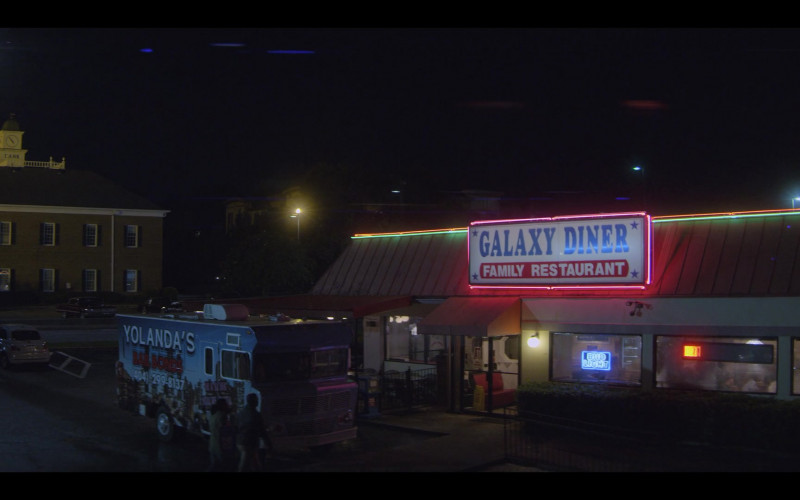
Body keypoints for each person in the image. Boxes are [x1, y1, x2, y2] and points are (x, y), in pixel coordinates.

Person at [236, 393, 271, 472]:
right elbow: (262, 430)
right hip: (249, 442)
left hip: (241, 441)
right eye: (256, 400)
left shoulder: (241, 413)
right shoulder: (255, 415)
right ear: (254, 401)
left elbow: (236, 426)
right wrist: (268, 443)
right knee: (244, 465)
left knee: (254, 463)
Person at [207, 398, 229, 471]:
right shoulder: (222, 416)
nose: (227, 405)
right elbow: (225, 432)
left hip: (212, 445)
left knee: (214, 466)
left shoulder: (213, 416)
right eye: (226, 404)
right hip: (220, 446)